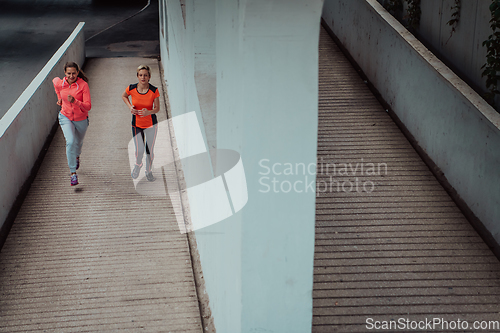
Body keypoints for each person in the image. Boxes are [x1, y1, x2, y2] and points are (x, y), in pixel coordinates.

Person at [52, 62, 91, 186]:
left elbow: (88, 106)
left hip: (81, 118)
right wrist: (59, 97)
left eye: (74, 73)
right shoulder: (61, 83)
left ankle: (77, 156)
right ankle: (73, 173)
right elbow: (54, 81)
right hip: (65, 116)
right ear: (65, 73)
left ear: (78, 72)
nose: (71, 75)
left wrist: (76, 102)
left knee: (78, 142)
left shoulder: (83, 85)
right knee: (70, 141)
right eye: (69, 73)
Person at [121, 64, 160, 182]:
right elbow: (124, 96)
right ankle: (138, 165)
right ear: (137, 76)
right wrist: (130, 107)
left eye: (146, 75)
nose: (143, 77)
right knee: (139, 149)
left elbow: (157, 109)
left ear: (149, 77)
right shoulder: (131, 88)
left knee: (149, 150)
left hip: (151, 125)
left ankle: (148, 171)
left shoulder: (154, 90)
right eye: (141, 75)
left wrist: (149, 112)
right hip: (136, 124)